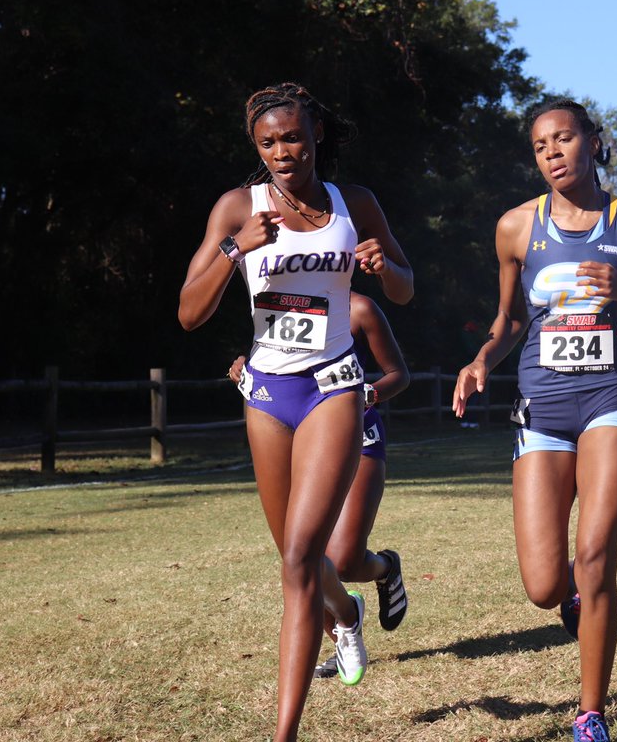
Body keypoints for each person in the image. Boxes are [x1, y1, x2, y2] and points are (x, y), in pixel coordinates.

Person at [452, 98, 617, 742]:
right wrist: (481, 360)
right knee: (542, 584)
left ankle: (590, 712)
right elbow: (508, 322)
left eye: (564, 138)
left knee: (595, 558)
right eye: (540, 145)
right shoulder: (514, 229)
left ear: (593, 141)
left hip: (608, 402)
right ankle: (575, 607)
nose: (553, 152)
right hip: (541, 407)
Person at [178, 83, 413, 742]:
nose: (284, 152)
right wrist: (235, 249)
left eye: (295, 139)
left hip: (334, 385)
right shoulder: (236, 208)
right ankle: (347, 613)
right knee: (297, 559)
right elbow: (189, 314)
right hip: (266, 396)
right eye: (269, 142)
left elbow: (404, 284)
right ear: (257, 147)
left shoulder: (352, 203)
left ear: (316, 138)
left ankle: (284, 734)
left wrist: (381, 264)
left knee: (300, 559)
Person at [228, 291, 411, 679]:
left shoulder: (360, 308)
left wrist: (362, 396)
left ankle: (384, 568)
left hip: (356, 435)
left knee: (343, 558)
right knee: (300, 556)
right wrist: (246, 369)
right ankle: (344, 629)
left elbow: (399, 374)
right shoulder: (274, 300)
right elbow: (275, 367)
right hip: (295, 439)